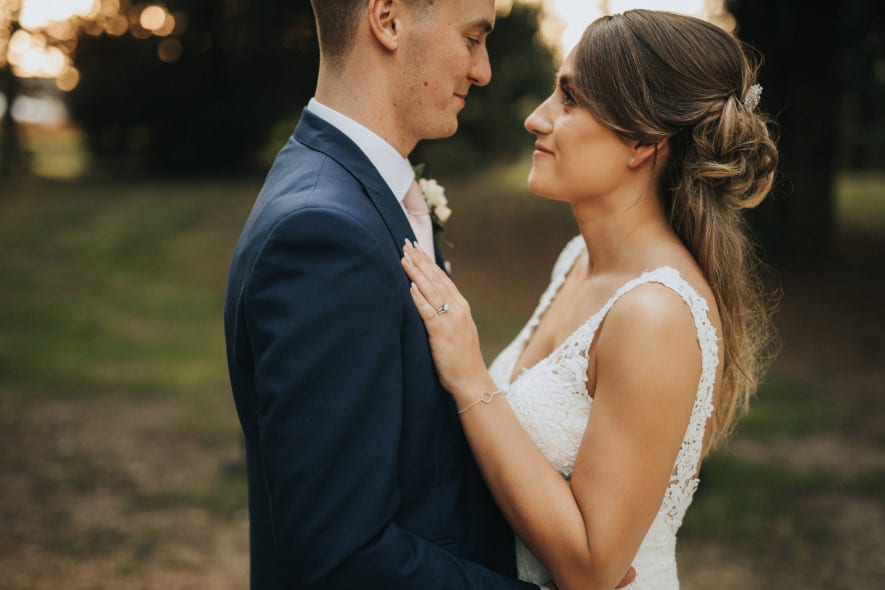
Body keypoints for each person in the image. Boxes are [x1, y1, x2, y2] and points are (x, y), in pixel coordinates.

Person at [223, 1, 627, 588]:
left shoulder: (358, 194)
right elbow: (341, 556)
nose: (484, 70)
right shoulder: (321, 235)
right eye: (472, 38)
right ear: (386, 19)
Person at [402, 9, 779, 590]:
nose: (536, 119)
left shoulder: (655, 316)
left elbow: (591, 568)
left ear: (642, 141)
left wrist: (470, 376)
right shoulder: (577, 260)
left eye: (570, 100)